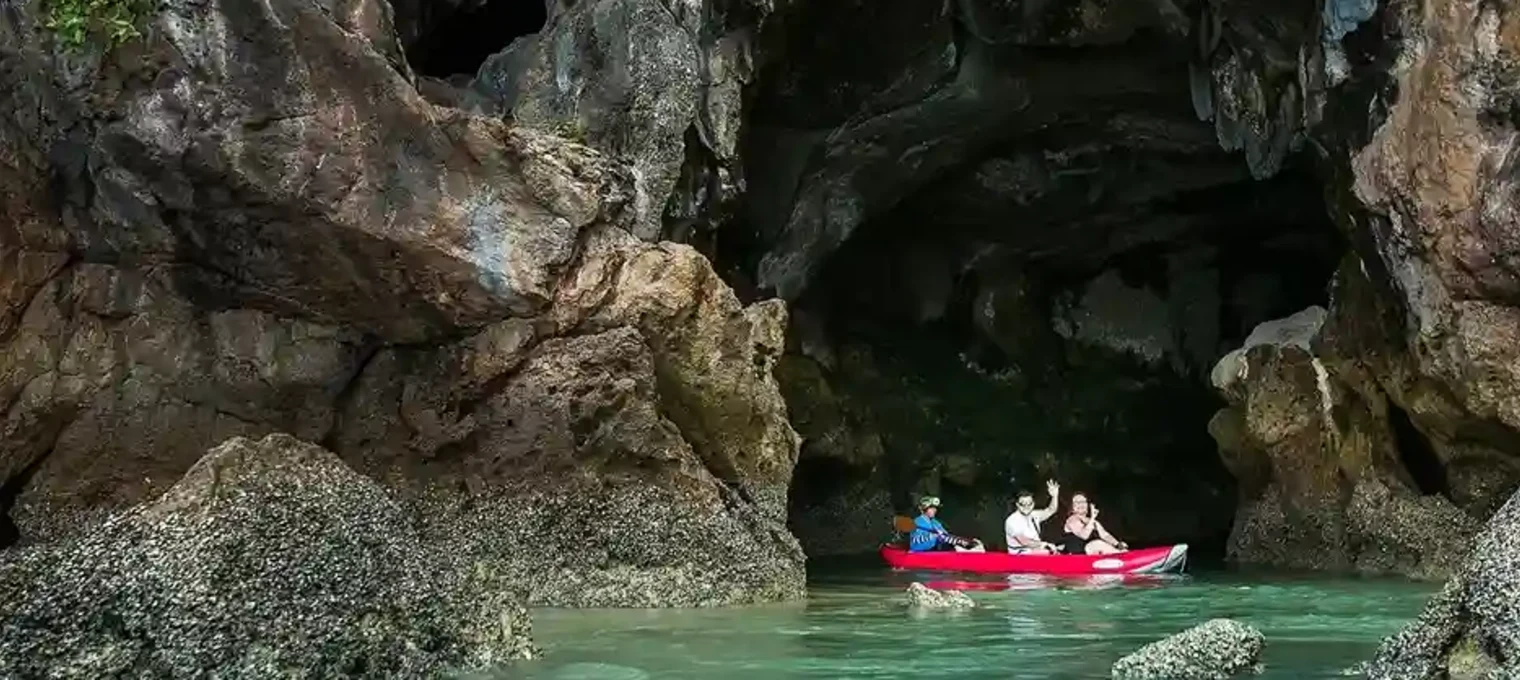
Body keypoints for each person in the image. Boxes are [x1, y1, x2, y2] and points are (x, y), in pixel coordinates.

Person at [909, 496, 985, 553]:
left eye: (935, 508)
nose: (935, 510)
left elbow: (946, 536)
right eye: (931, 508)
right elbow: (915, 543)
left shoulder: (935, 523)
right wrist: (933, 536)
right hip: (918, 553)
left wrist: (960, 542)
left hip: (931, 553)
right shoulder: (917, 522)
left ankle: (969, 550)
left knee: (954, 544)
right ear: (924, 509)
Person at [1061, 492, 1128, 555]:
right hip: (1078, 555)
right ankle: (1121, 555)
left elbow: (1105, 535)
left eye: (1083, 502)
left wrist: (1118, 544)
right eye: (1077, 502)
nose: (1080, 504)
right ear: (1072, 507)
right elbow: (1084, 535)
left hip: (1093, 553)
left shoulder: (1092, 521)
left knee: (1116, 544)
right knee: (1096, 544)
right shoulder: (1072, 519)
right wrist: (1092, 518)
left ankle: (1122, 554)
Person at [1004, 479, 1061, 554]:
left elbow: (1051, 510)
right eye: (1022, 504)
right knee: (1050, 553)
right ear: (1017, 505)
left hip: (1035, 550)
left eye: (1029, 503)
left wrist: (1054, 496)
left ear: (1033, 503)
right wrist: (1045, 544)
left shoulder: (1034, 514)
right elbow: (1025, 542)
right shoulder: (1012, 520)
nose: (1026, 506)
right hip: (1019, 556)